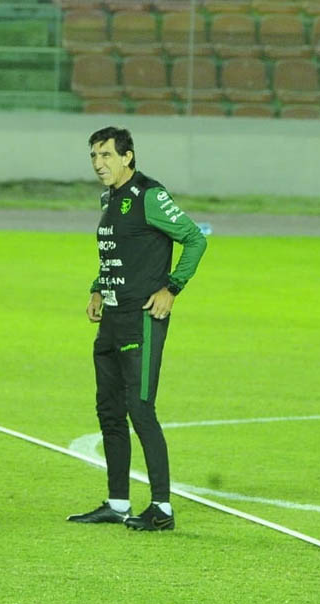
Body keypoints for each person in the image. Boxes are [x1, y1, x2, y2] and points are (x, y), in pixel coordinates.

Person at [66, 127, 207, 532]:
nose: (99, 164)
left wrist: (172, 288)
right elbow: (116, 252)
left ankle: (161, 508)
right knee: (109, 411)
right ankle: (117, 501)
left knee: (140, 409)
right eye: (94, 156)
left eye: (107, 155)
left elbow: (195, 239)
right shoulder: (109, 198)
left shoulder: (150, 196)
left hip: (142, 318)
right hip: (111, 317)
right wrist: (97, 288)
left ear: (128, 157)